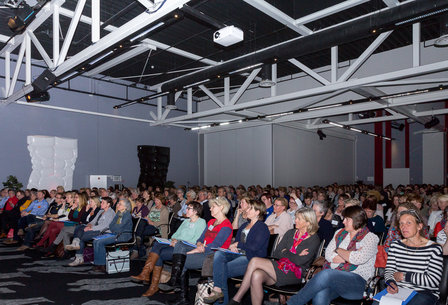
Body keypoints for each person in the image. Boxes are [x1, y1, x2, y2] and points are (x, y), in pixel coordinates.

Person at [287, 206, 379, 305]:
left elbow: (358, 259)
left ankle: (292, 303)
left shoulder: (371, 238)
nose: (343, 222)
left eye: (347, 219)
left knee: (326, 274)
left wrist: (339, 251)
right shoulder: (339, 233)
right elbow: (328, 255)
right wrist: (345, 255)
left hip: (358, 283)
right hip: (335, 280)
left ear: (357, 220)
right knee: (321, 292)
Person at [229, 207, 320, 305]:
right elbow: (277, 253)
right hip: (280, 267)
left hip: (296, 273)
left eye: (299, 219)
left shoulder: (313, 239)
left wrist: (285, 252)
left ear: (308, 222)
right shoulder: (290, 233)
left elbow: (299, 262)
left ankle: (237, 299)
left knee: (255, 261)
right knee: (256, 275)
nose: (295, 220)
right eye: (296, 217)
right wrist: (293, 254)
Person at [158, 197, 233, 305]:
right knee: (180, 244)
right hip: (202, 249)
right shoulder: (211, 222)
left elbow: (216, 245)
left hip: (213, 255)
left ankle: (179, 290)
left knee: (182, 259)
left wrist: (196, 250)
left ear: (221, 207)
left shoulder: (226, 225)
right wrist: (198, 244)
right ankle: (176, 282)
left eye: (213, 207)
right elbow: (201, 239)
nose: (210, 209)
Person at [130, 201, 206, 297]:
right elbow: (175, 234)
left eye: (188, 208)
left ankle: (150, 281)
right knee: (157, 243)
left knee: (158, 255)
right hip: (175, 243)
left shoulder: (201, 222)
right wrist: (174, 240)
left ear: (195, 211)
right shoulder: (186, 221)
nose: (186, 210)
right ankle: (147, 276)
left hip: (185, 248)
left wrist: (178, 242)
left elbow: (195, 240)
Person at [204, 199, 270, 305]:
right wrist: (232, 246)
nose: (246, 210)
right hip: (238, 254)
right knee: (219, 254)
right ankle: (218, 292)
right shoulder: (244, 226)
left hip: (252, 259)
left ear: (257, 212)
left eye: (249, 208)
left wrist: (238, 244)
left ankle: (219, 295)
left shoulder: (262, 227)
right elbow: (237, 241)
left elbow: (254, 247)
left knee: (221, 270)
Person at [378, 209, 443, 305]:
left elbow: (433, 280)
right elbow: (389, 270)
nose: (404, 227)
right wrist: (391, 283)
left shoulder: (433, 248)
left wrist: (404, 276)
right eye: (401, 224)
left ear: (419, 226)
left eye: (409, 223)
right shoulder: (395, 246)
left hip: (423, 292)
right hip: (399, 290)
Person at [67, 197, 116, 266]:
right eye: (101, 202)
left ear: (108, 204)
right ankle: (76, 244)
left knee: (81, 236)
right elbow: (93, 221)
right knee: (79, 227)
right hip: (96, 229)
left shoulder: (111, 212)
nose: (101, 204)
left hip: (103, 231)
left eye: (103, 203)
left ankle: (78, 255)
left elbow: (104, 226)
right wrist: (89, 225)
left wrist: (91, 228)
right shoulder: (101, 211)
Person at [92, 198, 133, 273]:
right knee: (96, 241)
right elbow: (111, 225)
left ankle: (102, 265)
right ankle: (97, 264)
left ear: (125, 207)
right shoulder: (118, 213)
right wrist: (115, 228)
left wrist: (115, 228)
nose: (117, 205)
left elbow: (119, 228)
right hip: (116, 233)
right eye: (118, 203)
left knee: (100, 242)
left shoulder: (127, 215)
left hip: (123, 235)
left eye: (120, 204)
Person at [134, 193, 169, 257]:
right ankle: (139, 246)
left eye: (158, 200)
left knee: (141, 232)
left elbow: (164, 221)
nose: (156, 202)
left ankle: (138, 250)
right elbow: (148, 217)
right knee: (142, 222)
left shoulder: (164, 209)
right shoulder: (153, 207)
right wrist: (147, 219)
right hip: (149, 224)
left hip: (158, 227)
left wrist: (152, 222)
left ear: (162, 201)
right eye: (155, 200)